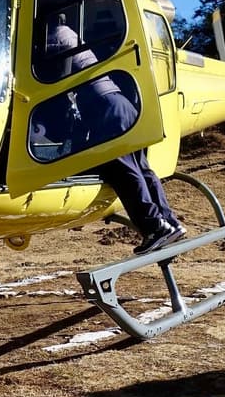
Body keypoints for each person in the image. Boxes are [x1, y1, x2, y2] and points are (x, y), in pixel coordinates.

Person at [46, 14, 185, 255]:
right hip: (122, 104)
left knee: (124, 170)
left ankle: (154, 227)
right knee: (142, 168)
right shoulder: (71, 35)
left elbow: (53, 78)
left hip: (107, 109)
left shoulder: (56, 39)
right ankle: (170, 221)